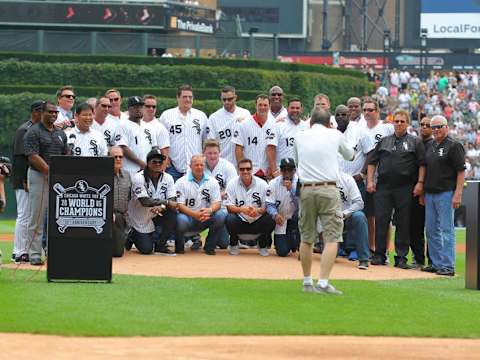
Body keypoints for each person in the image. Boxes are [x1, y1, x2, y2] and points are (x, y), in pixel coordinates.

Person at [294, 108, 354, 295]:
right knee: (332, 237)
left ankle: (306, 281)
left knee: (307, 237)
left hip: (306, 189)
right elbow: (350, 155)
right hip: (328, 188)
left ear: (311, 122)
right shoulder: (335, 134)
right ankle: (323, 282)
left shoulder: (299, 136)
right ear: (330, 122)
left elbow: (297, 162)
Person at [367, 109, 425, 269]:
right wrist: (370, 181)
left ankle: (401, 257)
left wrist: (420, 183)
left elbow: (422, 164)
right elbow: (372, 162)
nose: (399, 124)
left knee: (403, 222)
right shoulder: (384, 141)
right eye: (396, 121)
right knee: (381, 220)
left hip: (405, 188)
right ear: (392, 123)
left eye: (402, 121)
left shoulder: (415, 142)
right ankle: (379, 254)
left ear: (407, 123)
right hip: (384, 187)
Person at [24, 101, 69, 265]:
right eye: (50, 112)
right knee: (36, 216)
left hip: (58, 178)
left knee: (57, 215)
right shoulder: (33, 131)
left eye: (55, 112)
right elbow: (32, 156)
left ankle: (53, 249)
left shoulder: (60, 133)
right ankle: (35, 253)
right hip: (38, 176)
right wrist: (50, 172)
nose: (54, 115)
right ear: (42, 113)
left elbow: (66, 154)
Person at [422, 115, 465, 276]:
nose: (436, 130)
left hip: (446, 193)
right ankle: (436, 263)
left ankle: (448, 265)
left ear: (447, 127)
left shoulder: (454, 145)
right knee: (431, 230)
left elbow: (461, 171)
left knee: (447, 230)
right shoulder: (431, 145)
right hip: (430, 193)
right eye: (433, 127)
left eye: (439, 126)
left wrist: (458, 194)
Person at [127, 148, 177, 255]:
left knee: (173, 213)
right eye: (154, 161)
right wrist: (165, 203)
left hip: (155, 214)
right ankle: (132, 234)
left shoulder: (168, 178)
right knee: (146, 249)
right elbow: (144, 201)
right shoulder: (138, 178)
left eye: (160, 161)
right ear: (148, 163)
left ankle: (160, 245)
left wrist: (162, 207)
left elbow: (172, 200)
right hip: (139, 218)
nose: (158, 164)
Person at [10, 100, 42, 263]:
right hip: (22, 178)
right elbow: (19, 159)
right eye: (42, 110)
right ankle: (19, 251)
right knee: (24, 215)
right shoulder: (25, 129)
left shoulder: (38, 129)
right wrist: (23, 180)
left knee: (30, 215)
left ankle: (25, 250)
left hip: (31, 179)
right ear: (35, 112)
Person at [175, 155, 226, 255]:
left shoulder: (213, 182)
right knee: (180, 219)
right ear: (190, 166)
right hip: (188, 218)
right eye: (196, 165)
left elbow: (218, 203)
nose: (199, 167)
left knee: (220, 215)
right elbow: (180, 205)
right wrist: (194, 214)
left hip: (205, 217)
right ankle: (179, 246)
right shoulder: (181, 182)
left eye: (201, 165)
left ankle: (209, 246)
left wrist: (210, 210)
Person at [225, 158, 275, 256]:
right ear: (238, 170)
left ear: (252, 170)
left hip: (257, 220)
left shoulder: (263, 184)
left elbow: (267, 205)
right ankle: (234, 244)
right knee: (229, 218)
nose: (245, 171)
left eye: (248, 169)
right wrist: (243, 210)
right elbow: (229, 207)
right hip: (240, 221)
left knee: (271, 217)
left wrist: (258, 211)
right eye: (242, 169)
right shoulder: (231, 184)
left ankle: (262, 245)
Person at [160, 85, 207, 182]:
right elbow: (160, 140)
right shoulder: (166, 116)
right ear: (177, 98)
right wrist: (166, 159)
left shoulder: (201, 116)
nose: (188, 99)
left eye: (190, 97)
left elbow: (206, 141)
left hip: (195, 168)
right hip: (172, 168)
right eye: (185, 97)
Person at [409, 116, 434, 267]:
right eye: (422, 124)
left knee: (431, 228)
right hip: (413, 191)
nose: (424, 127)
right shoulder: (413, 142)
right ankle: (418, 258)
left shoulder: (435, 145)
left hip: (429, 191)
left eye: (427, 125)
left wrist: (423, 188)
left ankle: (433, 260)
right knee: (414, 226)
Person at [233, 94, 276, 180]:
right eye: (260, 105)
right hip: (250, 172)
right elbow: (238, 149)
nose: (262, 107)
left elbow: (274, 149)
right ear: (255, 105)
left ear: (270, 106)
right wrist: (243, 168)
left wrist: (272, 168)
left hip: (267, 172)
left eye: (265, 105)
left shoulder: (274, 124)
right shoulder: (244, 124)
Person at [206, 86, 251, 166]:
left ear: (235, 98)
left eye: (229, 99)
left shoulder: (245, 114)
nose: (226, 102)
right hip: (222, 163)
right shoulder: (213, 118)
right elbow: (211, 143)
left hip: (242, 163)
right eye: (224, 99)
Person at [203, 139, 237, 247]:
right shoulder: (198, 165)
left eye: (215, 153)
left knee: (223, 244)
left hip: (221, 209)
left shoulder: (228, 167)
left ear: (219, 153)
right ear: (204, 153)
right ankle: (193, 238)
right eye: (209, 153)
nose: (212, 156)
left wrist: (215, 196)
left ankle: (213, 237)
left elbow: (232, 190)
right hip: (201, 206)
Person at [265, 158, 300, 257]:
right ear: (280, 170)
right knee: (282, 252)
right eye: (284, 170)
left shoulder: (300, 183)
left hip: (295, 218)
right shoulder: (273, 183)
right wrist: (275, 215)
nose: (287, 172)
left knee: (301, 215)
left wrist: (291, 190)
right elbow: (269, 204)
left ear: (294, 171)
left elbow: (301, 205)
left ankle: (296, 239)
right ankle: (289, 239)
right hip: (280, 219)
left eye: (290, 170)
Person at [266, 97, 308, 177]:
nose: (295, 110)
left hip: (301, 174)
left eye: (297, 108)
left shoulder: (306, 127)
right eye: (292, 108)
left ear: (301, 110)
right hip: (282, 172)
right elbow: (270, 148)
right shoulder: (278, 126)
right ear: (287, 109)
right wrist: (274, 171)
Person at [337, 172, 370, 270]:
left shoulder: (347, 179)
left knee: (359, 216)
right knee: (332, 254)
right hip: (330, 218)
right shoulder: (322, 179)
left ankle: (364, 259)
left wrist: (344, 213)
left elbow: (359, 203)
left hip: (347, 216)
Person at [119, 96, 150, 176]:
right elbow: (123, 147)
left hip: (147, 171)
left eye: (140, 107)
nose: (138, 109)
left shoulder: (148, 127)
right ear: (129, 109)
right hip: (129, 171)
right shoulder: (122, 126)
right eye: (135, 107)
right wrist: (141, 163)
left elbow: (154, 147)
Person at [110, 146, 132, 257]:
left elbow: (130, 197)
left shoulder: (127, 176)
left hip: (123, 218)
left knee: (118, 253)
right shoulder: (103, 175)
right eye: (115, 157)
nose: (118, 159)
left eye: (120, 157)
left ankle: (128, 236)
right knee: (116, 252)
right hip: (108, 217)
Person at [141, 95, 170, 160]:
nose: (151, 109)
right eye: (148, 106)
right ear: (142, 107)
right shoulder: (135, 124)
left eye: (153, 107)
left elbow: (165, 154)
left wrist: (161, 170)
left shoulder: (161, 128)